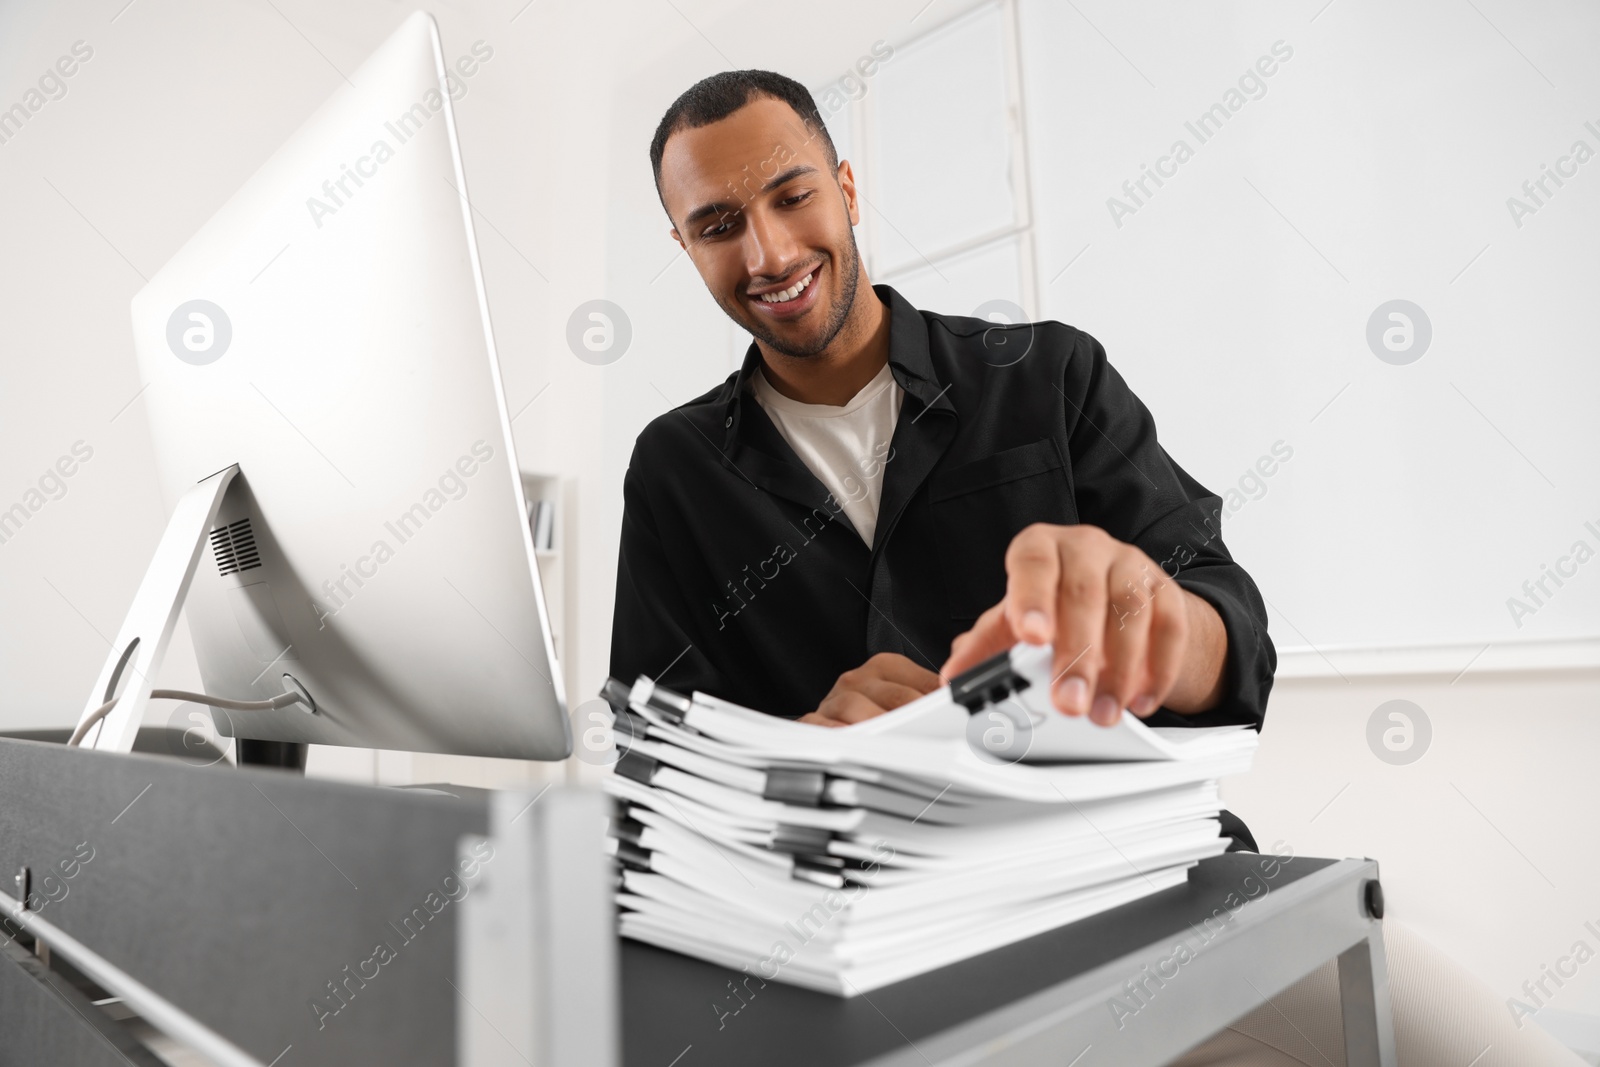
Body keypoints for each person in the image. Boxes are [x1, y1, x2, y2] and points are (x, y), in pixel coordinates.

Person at [610, 71, 1586, 1066]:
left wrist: (1164, 627)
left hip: (1148, 905)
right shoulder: (675, 468)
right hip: (874, 964)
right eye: (719, 222)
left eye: (791, 196)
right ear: (684, 245)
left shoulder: (1047, 375)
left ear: (847, 191)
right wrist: (801, 767)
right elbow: (650, 773)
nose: (767, 251)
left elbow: (1228, 634)